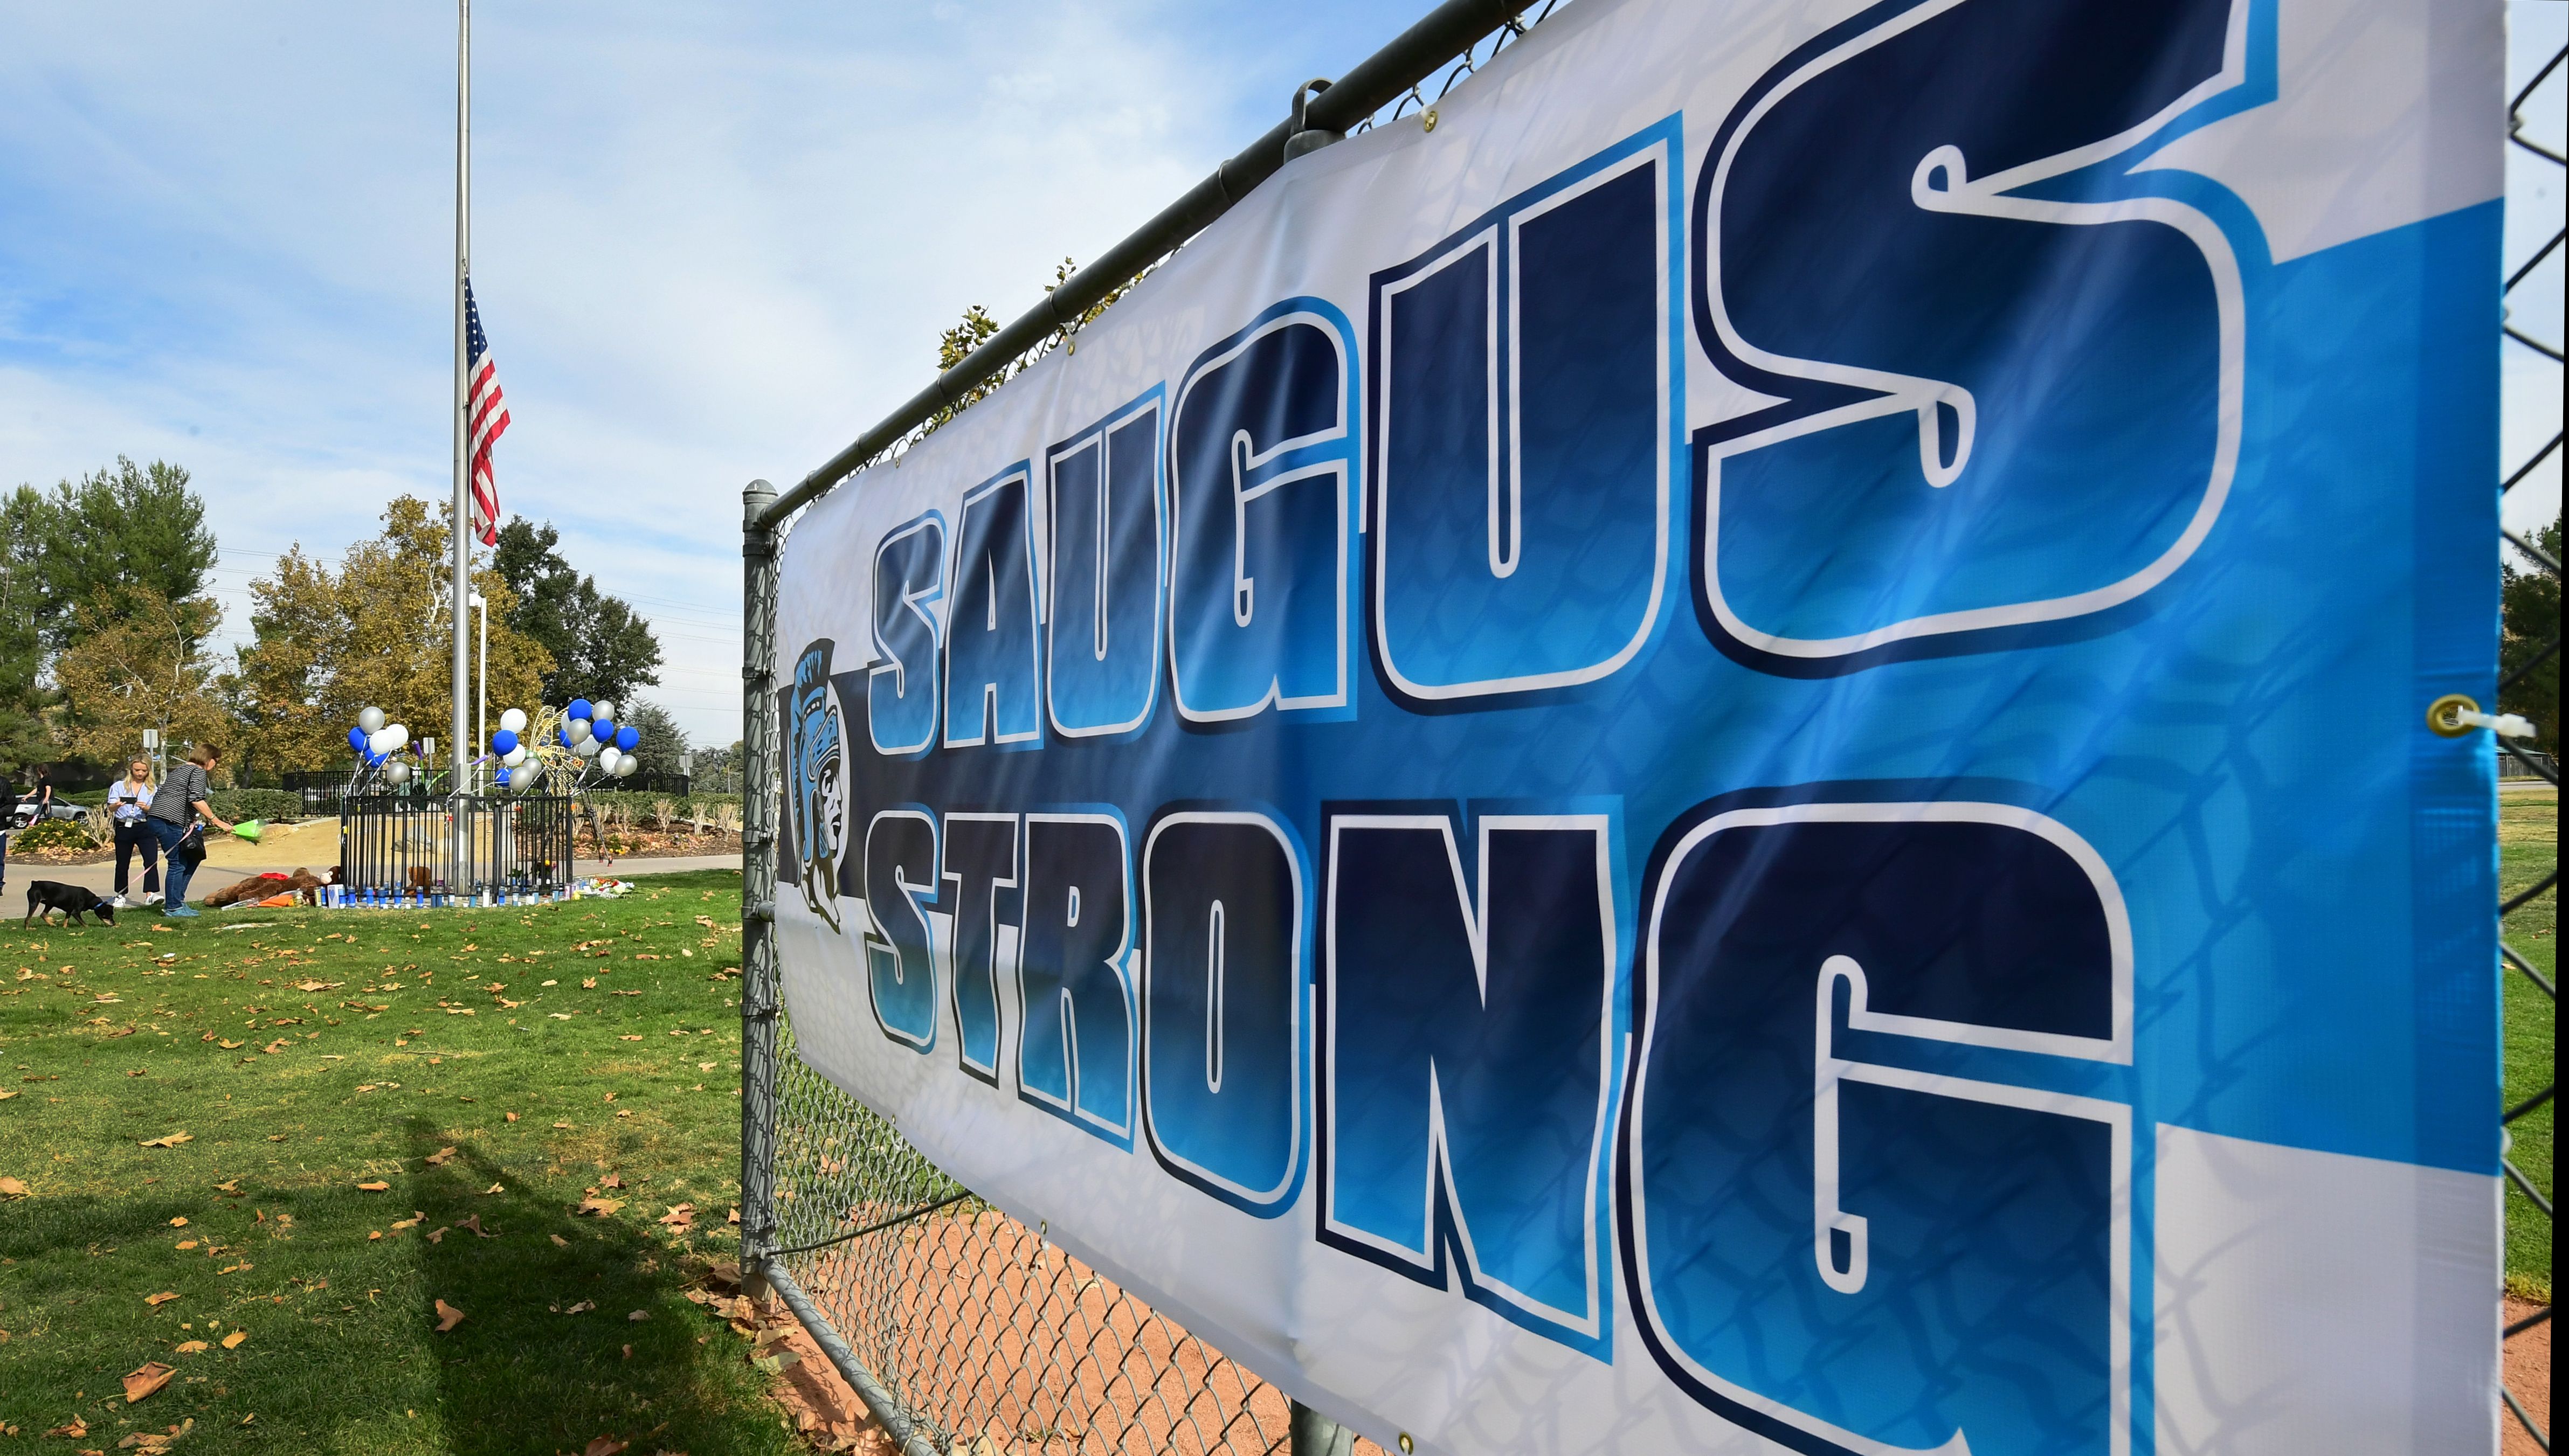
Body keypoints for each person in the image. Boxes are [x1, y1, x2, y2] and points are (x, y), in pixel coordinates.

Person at [145, 743, 234, 917]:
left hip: (160, 818)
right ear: (209, 759)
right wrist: (216, 821)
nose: (216, 765)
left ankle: (178, 902)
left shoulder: (180, 770)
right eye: (216, 761)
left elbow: (171, 795)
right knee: (177, 863)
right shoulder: (198, 772)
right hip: (168, 820)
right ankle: (173, 907)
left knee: (192, 858)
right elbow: (196, 799)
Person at [106, 758, 161, 908]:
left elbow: (156, 809)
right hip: (124, 826)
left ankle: (150, 894)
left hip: (144, 826)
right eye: (137, 770)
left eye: (144, 771)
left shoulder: (153, 788)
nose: (140, 773)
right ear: (131, 770)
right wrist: (116, 805)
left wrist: (147, 809)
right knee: (122, 863)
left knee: (151, 860)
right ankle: (120, 894)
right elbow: (110, 808)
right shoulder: (118, 786)